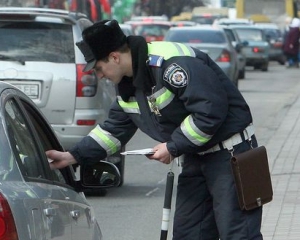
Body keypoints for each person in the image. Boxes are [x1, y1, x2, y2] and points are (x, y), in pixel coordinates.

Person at [46, 19, 263, 239]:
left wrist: (172, 146)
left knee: (239, 234)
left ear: (114, 57)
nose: (99, 75)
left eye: (99, 68)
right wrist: (73, 156)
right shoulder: (129, 84)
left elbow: (209, 111)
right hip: (197, 157)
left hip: (232, 155)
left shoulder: (172, 64)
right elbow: (112, 130)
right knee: (189, 234)